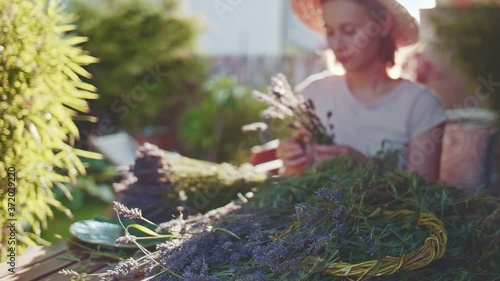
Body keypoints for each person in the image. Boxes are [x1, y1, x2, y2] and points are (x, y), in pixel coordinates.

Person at [276, 0, 447, 181]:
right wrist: (293, 164)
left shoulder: (420, 105)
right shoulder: (312, 95)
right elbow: (295, 182)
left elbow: (424, 193)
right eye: (330, 32)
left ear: (383, 24)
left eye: (349, 31)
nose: (337, 44)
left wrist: (365, 166)